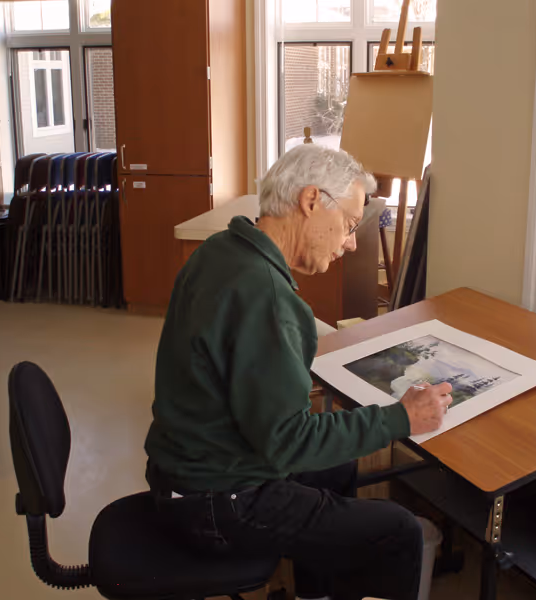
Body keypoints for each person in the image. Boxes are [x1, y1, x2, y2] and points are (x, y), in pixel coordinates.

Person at [145, 144, 452, 600]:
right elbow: (288, 443)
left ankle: (317, 592)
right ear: (311, 201)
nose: (350, 242)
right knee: (398, 531)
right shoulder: (267, 297)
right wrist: (399, 419)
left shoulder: (222, 249)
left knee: (336, 465)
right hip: (216, 502)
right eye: (349, 225)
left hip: (182, 476)